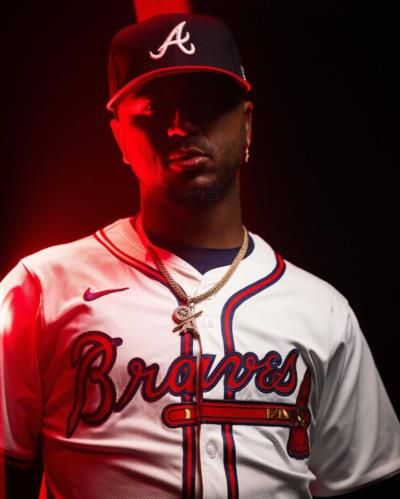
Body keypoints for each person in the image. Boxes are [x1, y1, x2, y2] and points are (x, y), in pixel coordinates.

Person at [1, 13, 399, 499]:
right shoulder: (41, 288)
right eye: (153, 108)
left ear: (247, 123)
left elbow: (358, 479)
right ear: (119, 137)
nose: (179, 126)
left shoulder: (322, 310)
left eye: (205, 104)